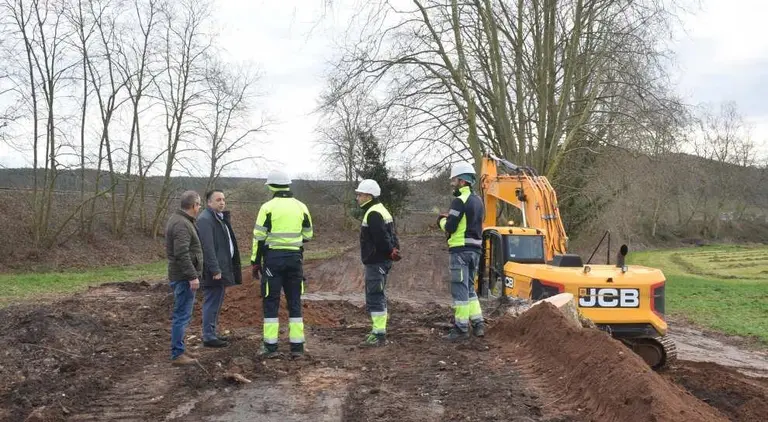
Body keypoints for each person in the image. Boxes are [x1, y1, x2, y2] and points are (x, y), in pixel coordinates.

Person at [251, 170, 314, 358]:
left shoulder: (267, 208)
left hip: (273, 260)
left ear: (271, 186)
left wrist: (255, 262)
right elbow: (308, 235)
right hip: (295, 259)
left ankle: (270, 347)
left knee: (271, 301)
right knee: (294, 302)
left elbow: (259, 237)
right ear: (288, 184)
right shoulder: (301, 207)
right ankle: (297, 346)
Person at [436, 162, 486, 340]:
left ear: (462, 181)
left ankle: (461, 327)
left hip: (460, 251)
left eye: (454, 181)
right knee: (470, 288)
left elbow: (450, 225)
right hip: (476, 251)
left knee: (460, 290)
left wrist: (441, 220)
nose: (453, 184)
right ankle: (478, 323)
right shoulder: (479, 201)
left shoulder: (459, 201)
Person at [354, 179, 401, 347]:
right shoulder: (381, 210)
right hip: (382, 260)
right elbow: (392, 234)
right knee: (378, 295)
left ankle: (378, 334)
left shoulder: (373, 213)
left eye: (360, 195)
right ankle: (378, 331)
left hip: (376, 261)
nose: (357, 198)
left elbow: (381, 237)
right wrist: (393, 250)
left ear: (369, 196)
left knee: (375, 296)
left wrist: (389, 250)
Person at [196, 189, 242, 348]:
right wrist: (215, 269)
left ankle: (213, 332)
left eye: (223, 199)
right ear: (209, 202)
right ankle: (208, 336)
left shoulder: (218, 218)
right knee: (212, 301)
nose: (222, 202)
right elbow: (207, 248)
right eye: (218, 200)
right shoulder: (205, 220)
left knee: (217, 301)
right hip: (213, 271)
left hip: (221, 268)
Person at [166, 190, 204, 365]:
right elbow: (181, 253)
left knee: (183, 314)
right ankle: (177, 354)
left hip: (183, 276)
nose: (200, 207)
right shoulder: (182, 224)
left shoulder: (182, 220)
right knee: (182, 315)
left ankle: (180, 348)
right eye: (199, 204)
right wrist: (192, 276)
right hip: (183, 277)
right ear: (194, 205)